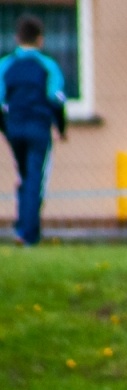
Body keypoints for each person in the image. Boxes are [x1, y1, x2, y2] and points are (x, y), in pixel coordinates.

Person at [0, 14, 67, 247]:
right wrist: (61, 127)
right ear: (40, 40)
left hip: (14, 129)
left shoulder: (6, 65)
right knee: (35, 179)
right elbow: (56, 99)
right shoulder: (48, 65)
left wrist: (5, 129)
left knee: (24, 175)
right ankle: (28, 234)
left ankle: (24, 227)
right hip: (38, 129)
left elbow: (0, 102)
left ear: (18, 38)